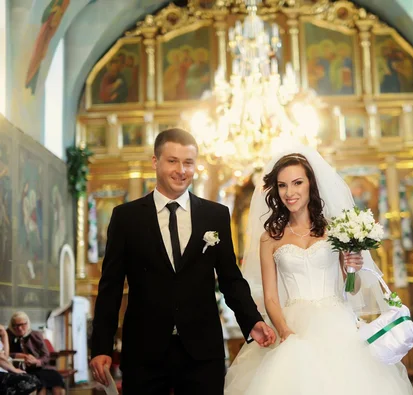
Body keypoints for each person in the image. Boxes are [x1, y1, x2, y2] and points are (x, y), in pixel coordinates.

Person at [89, 128, 275, 395]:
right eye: (172, 161)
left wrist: (252, 321)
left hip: (202, 351)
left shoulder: (216, 215)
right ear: (156, 162)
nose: (181, 170)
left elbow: (230, 279)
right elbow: (110, 288)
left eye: (188, 162)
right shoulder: (126, 218)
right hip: (144, 351)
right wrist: (101, 348)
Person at [224, 143, 413, 394]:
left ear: (311, 184)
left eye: (297, 183)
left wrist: (353, 268)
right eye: (282, 185)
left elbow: (353, 288)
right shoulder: (270, 238)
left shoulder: (335, 230)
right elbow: (270, 296)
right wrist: (284, 331)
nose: (289, 192)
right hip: (293, 324)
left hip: (337, 323)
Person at [6, 313, 62, 395]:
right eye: (15, 325)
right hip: (19, 369)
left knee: (56, 377)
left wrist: (37, 361)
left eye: (22, 325)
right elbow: (3, 354)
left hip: (38, 368)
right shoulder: (7, 335)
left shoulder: (36, 335)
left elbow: (46, 355)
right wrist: (17, 355)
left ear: (27, 323)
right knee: (39, 382)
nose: (19, 328)